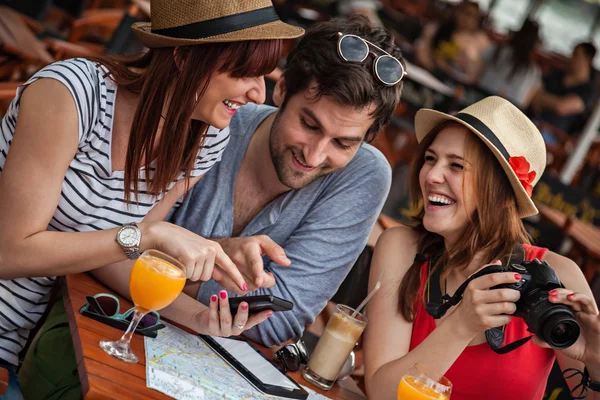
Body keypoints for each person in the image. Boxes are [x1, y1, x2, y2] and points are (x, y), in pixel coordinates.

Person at [0, 0, 303, 398]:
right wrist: (147, 236)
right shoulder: (71, 94)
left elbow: (117, 258)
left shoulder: (206, 138)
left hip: (19, 346)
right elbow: (10, 252)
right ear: (182, 56)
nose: (257, 92)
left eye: (263, 75)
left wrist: (200, 317)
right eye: (243, 72)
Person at [93, 14, 404, 347]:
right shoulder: (211, 119)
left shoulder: (364, 175)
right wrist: (211, 266)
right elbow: (115, 244)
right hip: (106, 320)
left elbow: (278, 322)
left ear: (366, 139)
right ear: (281, 89)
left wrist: (168, 263)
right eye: (309, 125)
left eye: (343, 143)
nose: (314, 156)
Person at [363, 96, 600, 400]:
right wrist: (460, 325)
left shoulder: (558, 275)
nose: (431, 175)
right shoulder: (401, 248)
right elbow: (381, 394)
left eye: (457, 166)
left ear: (501, 194)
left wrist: (596, 362)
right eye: (431, 158)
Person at [532, 42, 597, 139]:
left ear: (588, 60)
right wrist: (553, 102)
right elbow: (533, 93)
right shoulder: (557, 75)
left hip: (554, 136)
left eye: (576, 55)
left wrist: (543, 99)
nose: (571, 58)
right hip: (533, 120)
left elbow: (561, 107)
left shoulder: (588, 91)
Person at [415, 0, 490, 83]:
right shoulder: (436, 29)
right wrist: (434, 67)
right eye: (465, 13)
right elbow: (421, 52)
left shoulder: (479, 42)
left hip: (453, 83)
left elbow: (472, 74)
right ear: (457, 12)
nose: (467, 19)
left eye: (473, 16)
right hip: (428, 75)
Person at [478, 18, 541, 109]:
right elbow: (525, 102)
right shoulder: (534, 71)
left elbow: (477, 75)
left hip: (481, 100)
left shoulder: (497, 50)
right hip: (509, 111)